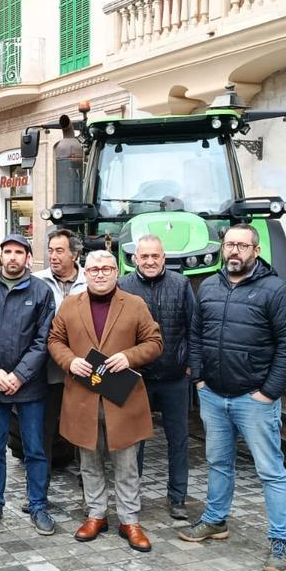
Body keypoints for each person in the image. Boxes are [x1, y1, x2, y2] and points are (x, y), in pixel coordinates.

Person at [183, 224, 286, 571]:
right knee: (219, 463)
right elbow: (196, 334)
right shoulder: (209, 286)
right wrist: (201, 378)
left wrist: (269, 392)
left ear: (255, 250)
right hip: (214, 395)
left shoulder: (275, 290)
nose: (234, 251)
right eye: (229, 244)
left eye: (242, 245)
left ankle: (281, 541)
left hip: (254, 400)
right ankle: (215, 520)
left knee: (270, 471)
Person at [48, 250, 163, 552]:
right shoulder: (71, 306)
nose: (100, 274)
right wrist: (70, 361)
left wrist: (129, 356)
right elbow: (54, 341)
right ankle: (96, 514)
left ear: (116, 272)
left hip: (122, 400)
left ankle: (129, 520)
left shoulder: (135, 305)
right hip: (83, 400)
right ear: (85, 273)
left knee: (126, 465)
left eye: (107, 268)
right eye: (95, 269)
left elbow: (154, 342)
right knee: (89, 461)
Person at [0, 233, 56, 534]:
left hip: (30, 386)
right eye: (8, 251)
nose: (13, 257)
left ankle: (39, 505)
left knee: (34, 448)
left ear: (28, 257)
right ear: (1, 255)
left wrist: (19, 375)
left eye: (19, 252)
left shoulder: (42, 292)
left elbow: (44, 340)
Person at [119, 234, 198, 521]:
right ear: (135, 259)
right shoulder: (123, 287)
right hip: (137, 378)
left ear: (164, 258)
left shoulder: (181, 285)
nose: (150, 261)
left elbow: (194, 328)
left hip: (174, 377)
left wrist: (191, 365)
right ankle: (131, 495)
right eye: (145, 256)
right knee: (134, 441)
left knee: (178, 439)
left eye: (155, 256)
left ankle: (177, 497)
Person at [31, 228, 87, 504]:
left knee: (85, 430)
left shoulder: (92, 280)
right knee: (44, 431)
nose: (53, 256)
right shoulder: (36, 282)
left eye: (60, 251)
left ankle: (88, 485)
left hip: (84, 372)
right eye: (50, 250)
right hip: (47, 371)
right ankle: (39, 490)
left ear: (74, 254)